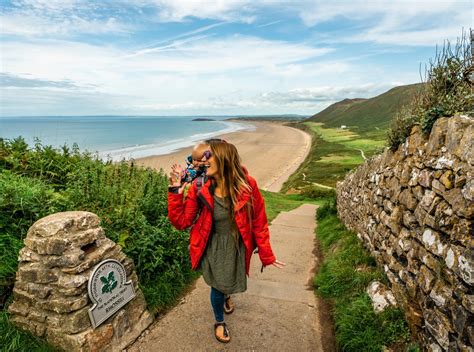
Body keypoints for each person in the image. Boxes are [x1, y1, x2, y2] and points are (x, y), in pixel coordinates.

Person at [167, 138, 285, 343]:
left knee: (226, 283)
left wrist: (266, 254)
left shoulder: (248, 185)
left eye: (207, 157)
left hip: (236, 245)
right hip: (212, 245)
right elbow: (182, 222)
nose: (202, 163)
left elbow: (259, 221)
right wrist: (175, 190)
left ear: (223, 158)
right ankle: (219, 321)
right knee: (217, 287)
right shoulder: (199, 186)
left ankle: (226, 294)